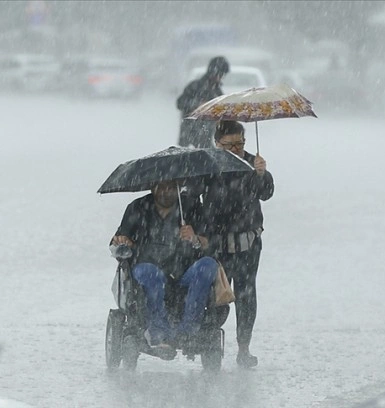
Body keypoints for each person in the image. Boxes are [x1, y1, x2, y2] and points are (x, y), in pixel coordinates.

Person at [111, 180, 219, 352]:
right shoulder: (137, 207)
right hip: (147, 268)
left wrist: (194, 238)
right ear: (152, 187)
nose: (165, 191)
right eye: (161, 187)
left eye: (170, 187)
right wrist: (123, 241)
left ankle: (188, 330)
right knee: (150, 274)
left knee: (208, 265)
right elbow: (117, 241)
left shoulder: (191, 207)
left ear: (178, 188)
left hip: (184, 272)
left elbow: (211, 243)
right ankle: (159, 332)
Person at [200, 120, 274, 368]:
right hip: (217, 245)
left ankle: (244, 348)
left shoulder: (253, 164)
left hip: (248, 244)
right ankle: (210, 345)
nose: (235, 150)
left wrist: (262, 174)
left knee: (246, 294)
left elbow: (266, 192)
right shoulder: (207, 165)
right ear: (216, 143)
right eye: (229, 145)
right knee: (217, 295)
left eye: (240, 144)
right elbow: (191, 196)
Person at [176, 56, 229, 148]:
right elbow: (180, 103)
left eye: (222, 75)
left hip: (206, 137)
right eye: (220, 74)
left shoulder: (217, 92)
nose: (221, 78)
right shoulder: (195, 86)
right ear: (213, 72)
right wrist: (197, 104)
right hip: (188, 136)